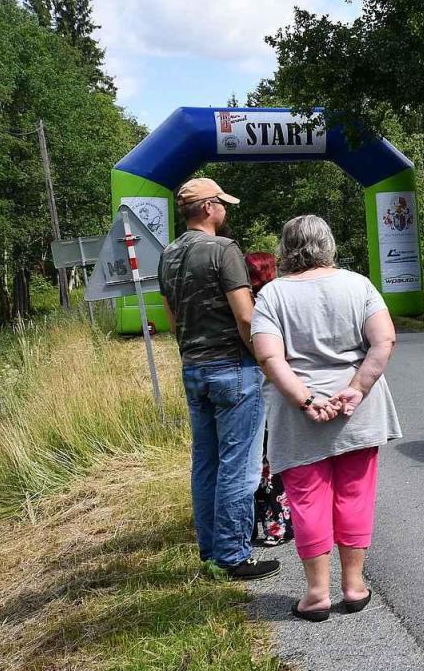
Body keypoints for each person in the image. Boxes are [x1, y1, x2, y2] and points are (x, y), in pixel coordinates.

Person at [250, 215, 401, 622]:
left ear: (286, 248)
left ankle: (316, 594)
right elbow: (383, 340)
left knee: (307, 499)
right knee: (355, 493)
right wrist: (357, 388)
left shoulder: (273, 295)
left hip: (299, 416)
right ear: (328, 244)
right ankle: (354, 586)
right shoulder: (358, 284)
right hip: (358, 410)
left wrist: (305, 400)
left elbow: (268, 356)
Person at [157, 178, 279, 581]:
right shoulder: (224, 250)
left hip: (193, 367)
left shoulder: (168, 254)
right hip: (232, 368)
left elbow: (171, 318)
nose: (226, 210)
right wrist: (266, 361)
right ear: (209, 207)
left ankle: (209, 550)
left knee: (205, 463)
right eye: (223, 204)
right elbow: (246, 316)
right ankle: (231, 555)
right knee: (239, 466)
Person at [245, 251, 293, 548]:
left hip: (247, 386)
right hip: (270, 389)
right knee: (273, 464)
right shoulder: (275, 300)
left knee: (249, 463)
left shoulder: (240, 303)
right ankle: (279, 527)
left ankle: (249, 527)